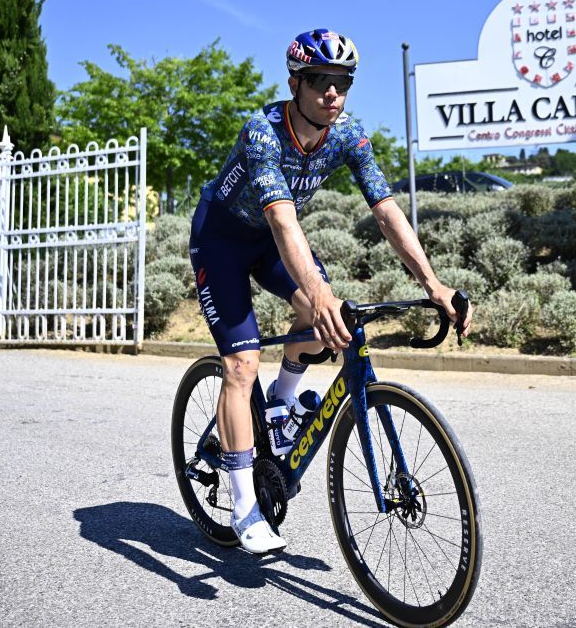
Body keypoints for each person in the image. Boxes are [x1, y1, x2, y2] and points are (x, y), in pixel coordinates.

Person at [189, 29, 473, 554]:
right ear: (295, 82)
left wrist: (433, 285)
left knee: (328, 325)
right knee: (241, 364)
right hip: (223, 241)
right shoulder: (263, 133)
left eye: (343, 82)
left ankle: (279, 404)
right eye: (321, 81)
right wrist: (316, 292)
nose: (333, 94)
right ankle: (243, 503)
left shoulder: (348, 135)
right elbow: (282, 219)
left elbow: (386, 211)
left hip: (274, 242)